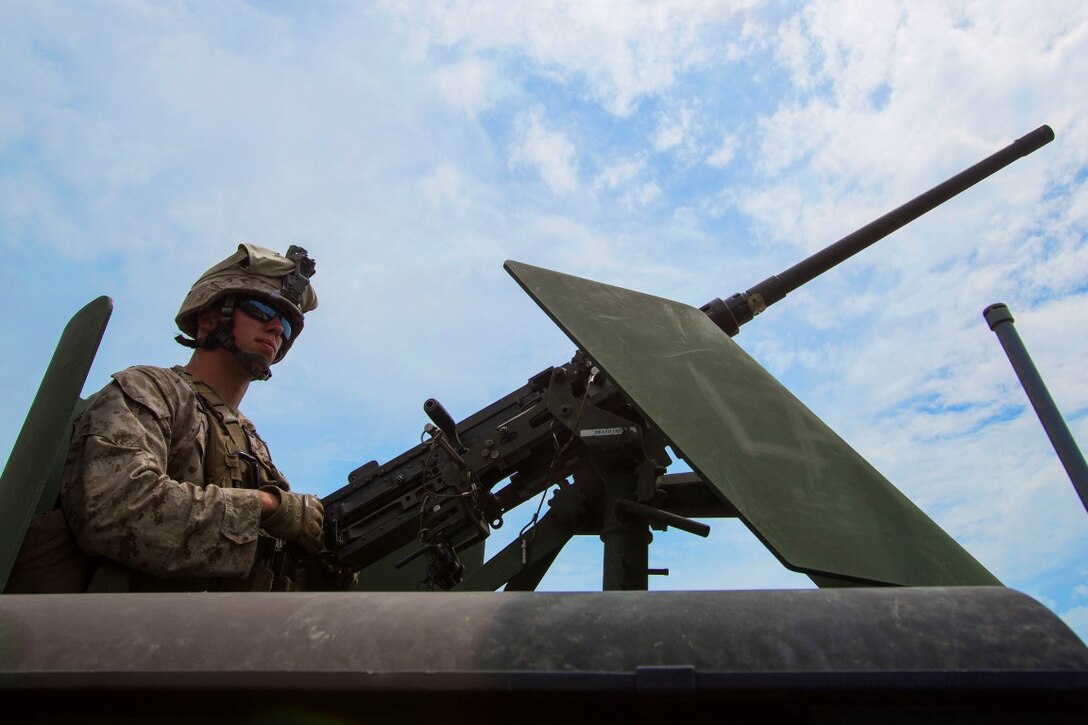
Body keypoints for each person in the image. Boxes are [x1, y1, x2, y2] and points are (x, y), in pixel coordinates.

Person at [13, 244, 329, 592]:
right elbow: (116, 509)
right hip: (115, 630)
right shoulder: (149, 390)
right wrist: (267, 506)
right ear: (210, 317)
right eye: (260, 310)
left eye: (284, 322)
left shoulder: (252, 444)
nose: (275, 329)